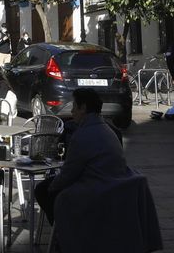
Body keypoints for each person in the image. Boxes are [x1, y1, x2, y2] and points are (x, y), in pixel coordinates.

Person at [34, 89, 130, 226]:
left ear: (83, 108)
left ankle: (63, 234)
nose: (72, 112)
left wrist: (52, 186)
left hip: (95, 190)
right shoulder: (108, 130)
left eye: (74, 107)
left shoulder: (82, 135)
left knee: (42, 190)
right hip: (113, 186)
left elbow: (69, 174)